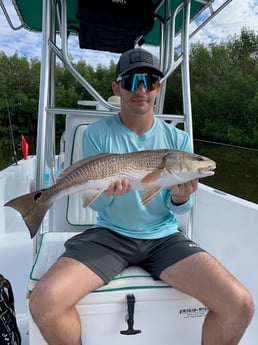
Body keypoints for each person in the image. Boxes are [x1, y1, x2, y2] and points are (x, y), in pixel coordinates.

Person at [29, 48, 254, 345]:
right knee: (43, 302)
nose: (141, 89)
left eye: (150, 81)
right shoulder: (97, 133)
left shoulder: (178, 140)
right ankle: (37, 205)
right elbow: (96, 202)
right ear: (116, 87)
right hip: (110, 234)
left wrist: (179, 198)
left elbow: (177, 208)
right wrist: (111, 195)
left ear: (158, 88)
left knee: (240, 305)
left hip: (163, 238)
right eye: (131, 81)